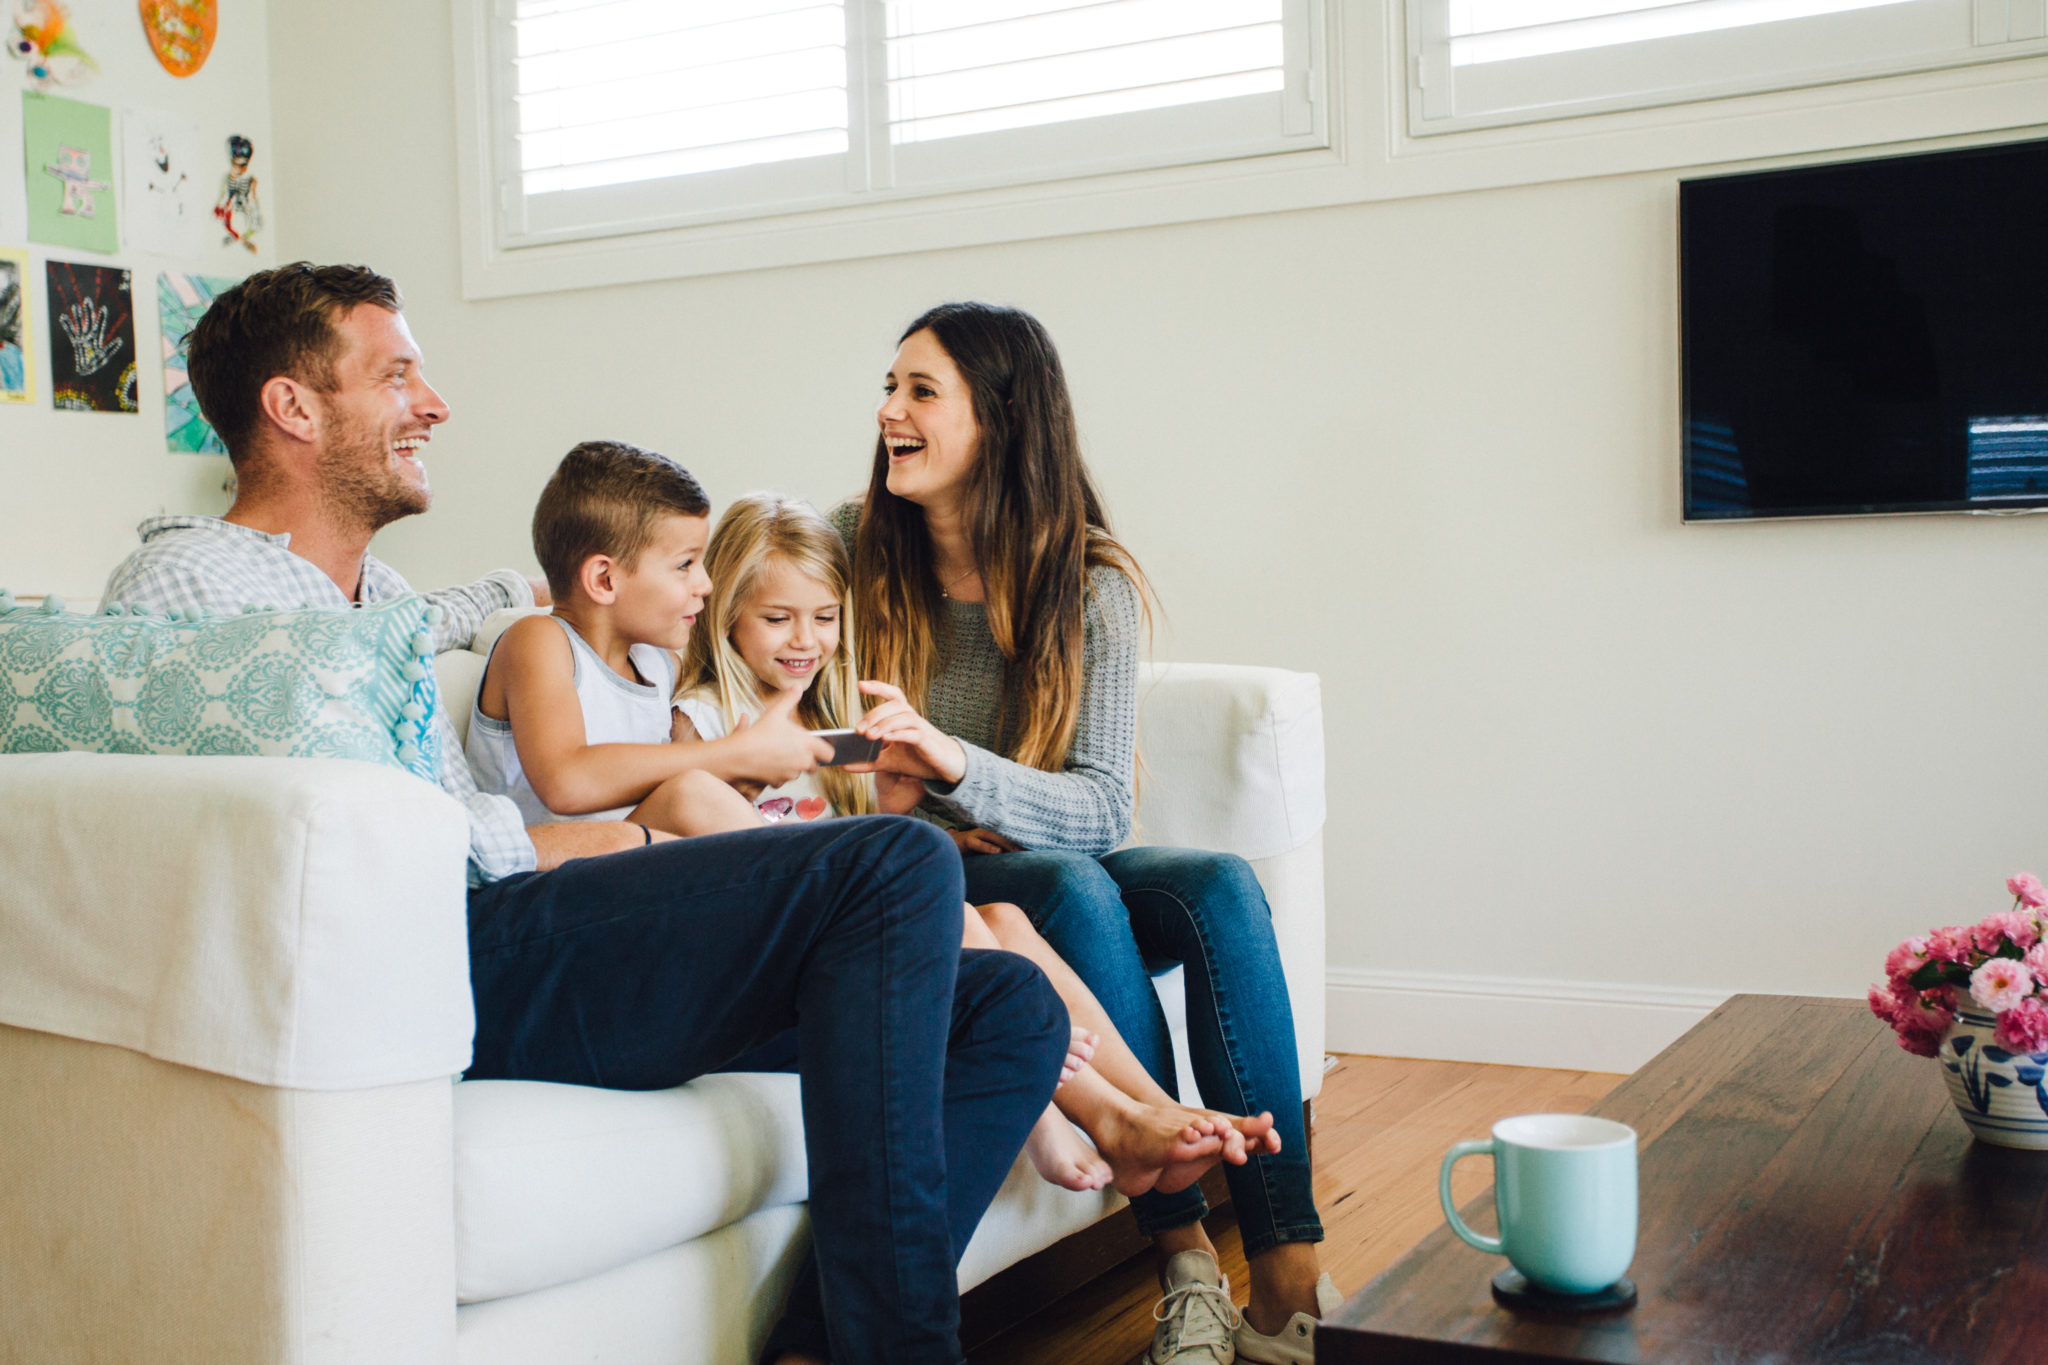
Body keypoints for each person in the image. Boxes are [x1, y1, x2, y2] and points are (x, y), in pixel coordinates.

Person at [99, 262, 1070, 1365]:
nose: (435, 402)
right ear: (293, 407)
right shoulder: (189, 586)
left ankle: (814, 1345)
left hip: (518, 923)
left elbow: (455, 686)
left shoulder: (379, 605)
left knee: (1007, 1010)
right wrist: (582, 839)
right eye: (398, 374)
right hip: (435, 951)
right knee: (892, 866)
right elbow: (298, 836)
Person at [835, 302, 1341, 1365]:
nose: (888, 412)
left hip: (1044, 857)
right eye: (889, 388)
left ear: (1002, 422)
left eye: (920, 392)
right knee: (1060, 888)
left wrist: (956, 766)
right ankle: (1184, 1262)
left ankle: (1289, 1272)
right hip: (924, 875)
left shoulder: (1086, 582)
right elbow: (797, 715)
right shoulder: (847, 556)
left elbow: (1103, 804)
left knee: (1214, 883)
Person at [673, 491, 1275, 1195]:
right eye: (777, 619)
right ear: (725, 616)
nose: (805, 639)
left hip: (841, 917)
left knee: (1009, 920)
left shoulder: (829, 720)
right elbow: (706, 844)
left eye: (826, 618)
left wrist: (942, 830)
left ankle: (1156, 1106)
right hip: (786, 938)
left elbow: (849, 832)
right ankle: (1094, 1117)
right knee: (958, 915)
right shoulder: (704, 718)